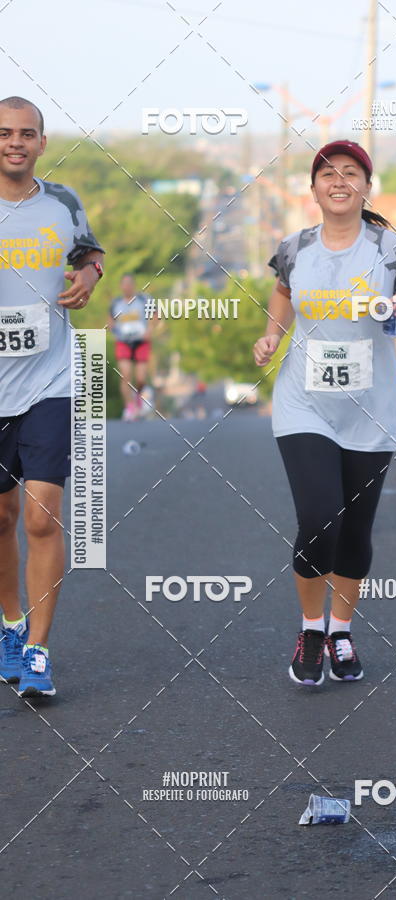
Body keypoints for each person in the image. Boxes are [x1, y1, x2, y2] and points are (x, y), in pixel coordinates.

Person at [254, 140, 396, 686]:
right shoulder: (294, 247)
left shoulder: (390, 249)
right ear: (313, 189)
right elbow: (283, 292)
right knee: (319, 518)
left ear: (366, 185)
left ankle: (341, 630)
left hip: (370, 410)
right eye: (327, 174)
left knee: (355, 531)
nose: (339, 181)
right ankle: (311, 628)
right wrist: (270, 336)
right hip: (303, 403)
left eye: (350, 173)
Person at [0, 96, 105, 697]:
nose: (16, 142)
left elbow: (89, 251)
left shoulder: (62, 201)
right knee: (1, 516)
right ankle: (11, 624)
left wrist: (88, 274)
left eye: (27, 134)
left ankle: (37, 650)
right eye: (5, 133)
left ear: (42, 143)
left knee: (40, 514)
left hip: (52, 381)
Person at [108, 274, 153, 420]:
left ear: (133, 285)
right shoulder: (116, 303)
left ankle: (138, 396)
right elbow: (110, 321)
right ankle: (129, 407)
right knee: (125, 374)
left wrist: (149, 331)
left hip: (141, 341)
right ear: (121, 286)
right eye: (124, 284)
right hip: (123, 342)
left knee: (140, 378)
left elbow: (155, 316)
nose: (127, 287)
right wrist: (114, 330)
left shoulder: (143, 300)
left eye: (129, 284)